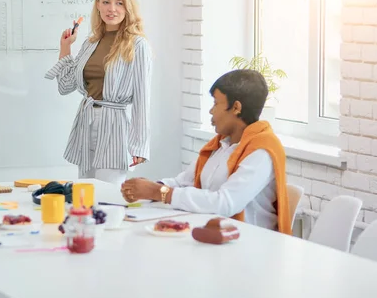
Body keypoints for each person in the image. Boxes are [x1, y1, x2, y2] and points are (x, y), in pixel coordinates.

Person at [120, 70, 291, 234]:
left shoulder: (262, 150)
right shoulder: (221, 144)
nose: (211, 110)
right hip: (212, 232)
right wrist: (147, 188)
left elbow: (225, 203)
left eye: (216, 103)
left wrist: (158, 192)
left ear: (236, 107)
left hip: (250, 244)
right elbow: (184, 182)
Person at [45, 0, 152, 186]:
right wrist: (65, 48)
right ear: (97, 5)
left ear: (128, 7)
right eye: (106, 2)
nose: (112, 9)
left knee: (106, 195)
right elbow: (65, 86)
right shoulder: (90, 42)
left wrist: (139, 145)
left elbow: (142, 97)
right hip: (86, 123)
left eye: (119, 3)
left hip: (114, 126)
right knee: (84, 196)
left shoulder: (138, 45)